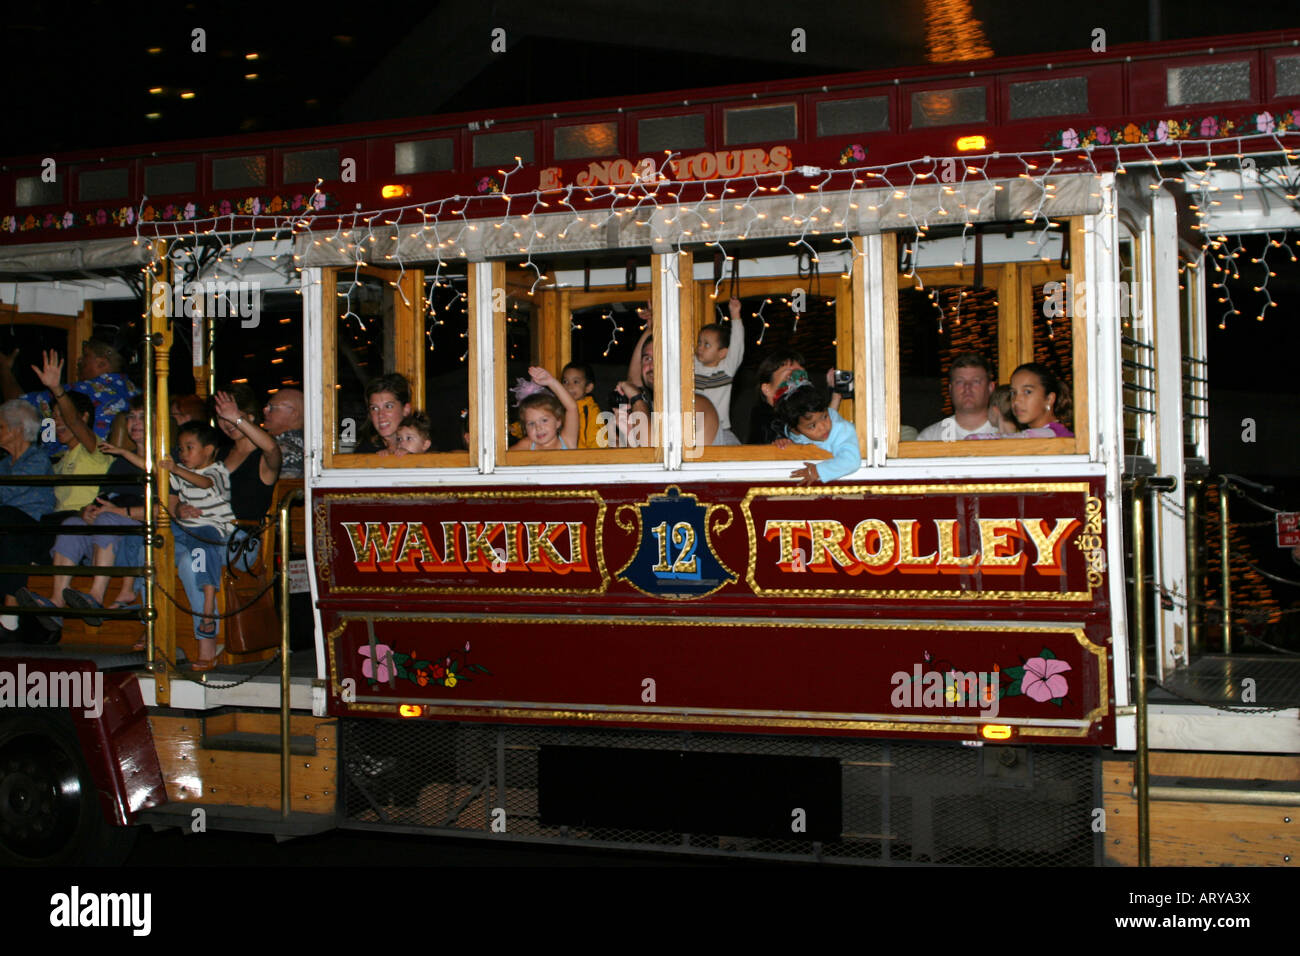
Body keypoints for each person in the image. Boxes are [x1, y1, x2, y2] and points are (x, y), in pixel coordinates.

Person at [50, 398, 148, 627]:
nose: (134, 423)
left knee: (107, 519)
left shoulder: (166, 458)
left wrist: (118, 511)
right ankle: (55, 602)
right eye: (131, 417)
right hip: (112, 519)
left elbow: (165, 509)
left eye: (142, 417)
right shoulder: (120, 461)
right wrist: (87, 511)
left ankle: (95, 596)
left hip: (138, 526)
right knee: (72, 524)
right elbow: (101, 498)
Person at [164, 421, 235, 671]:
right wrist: (180, 509)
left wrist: (175, 469)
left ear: (209, 450)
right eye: (180, 448)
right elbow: (169, 500)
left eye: (189, 447)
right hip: (187, 528)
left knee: (196, 554)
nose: (182, 453)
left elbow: (205, 484)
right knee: (149, 545)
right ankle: (145, 616)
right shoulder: (181, 472)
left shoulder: (217, 471)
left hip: (213, 530)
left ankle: (207, 614)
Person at [0, 337, 140, 450]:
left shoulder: (78, 392)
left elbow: (16, 407)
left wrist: (4, 369)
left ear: (102, 364)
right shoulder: (139, 394)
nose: (79, 361)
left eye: (85, 355)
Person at [0, 400, 55, 635]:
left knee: (8, 519)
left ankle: (10, 615)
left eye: (1, 427)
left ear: (17, 430)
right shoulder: (3, 464)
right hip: (9, 530)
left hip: (35, 531)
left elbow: (7, 491)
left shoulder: (37, 459)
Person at [213, 386, 282, 572]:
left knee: (200, 555)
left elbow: (272, 449)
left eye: (232, 416)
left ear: (250, 416)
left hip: (241, 541)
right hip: (211, 533)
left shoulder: (264, 458)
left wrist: (236, 418)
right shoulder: (220, 453)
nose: (228, 423)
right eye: (222, 418)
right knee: (158, 548)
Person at [615, 329, 719, 449]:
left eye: (660, 357)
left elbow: (652, 452)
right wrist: (627, 435)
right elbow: (632, 382)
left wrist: (637, 398)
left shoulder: (695, 404)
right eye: (647, 359)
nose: (652, 365)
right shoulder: (654, 410)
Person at [772, 374, 860, 485]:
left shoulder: (842, 430)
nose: (823, 427)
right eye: (812, 426)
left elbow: (851, 461)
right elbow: (794, 437)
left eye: (825, 416)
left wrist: (818, 471)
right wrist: (785, 441)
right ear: (795, 430)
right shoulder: (793, 430)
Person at [694, 297, 745, 444]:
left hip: (721, 429)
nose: (700, 348)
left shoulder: (726, 370)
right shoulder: (693, 367)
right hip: (695, 430)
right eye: (699, 343)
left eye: (707, 345)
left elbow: (737, 345)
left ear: (722, 353)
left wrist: (735, 315)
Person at [916, 352, 999, 442]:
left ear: (990, 388)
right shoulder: (929, 438)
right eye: (960, 382)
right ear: (950, 389)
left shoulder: (1007, 434)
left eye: (976, 381)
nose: (967, 387)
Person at [511, 367, 578, 451]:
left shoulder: (567, 441)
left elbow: (572, 408)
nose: (538, 428)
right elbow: (503, 459)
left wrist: (551, 382)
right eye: (531, 423)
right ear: (525, 427)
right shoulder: (527, 444)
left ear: (558, 421)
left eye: (544, 420)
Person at [1009, 362, 1074, 437]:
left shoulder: (1052, 435)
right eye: (1013, 393)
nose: (1016, 401)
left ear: (1049, 399)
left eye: (1027, 392)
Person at [355, 373, 412, 454]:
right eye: (374, 408)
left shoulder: (422, 448)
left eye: (388, 406)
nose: (380, 414)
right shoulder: (364, 452)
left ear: (406, 410)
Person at [262, 388, 304, 478]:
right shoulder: (307, 445)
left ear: (294, 414)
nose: (265, 411)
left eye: (272, 408)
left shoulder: (285, 450)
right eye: (267, 407)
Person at [560, 362, 603, 449]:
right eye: (565, 381)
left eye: (575, 382)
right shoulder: (558, 408)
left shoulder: (591, 411)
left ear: (588, 387)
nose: (569, 386)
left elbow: (598, 443)